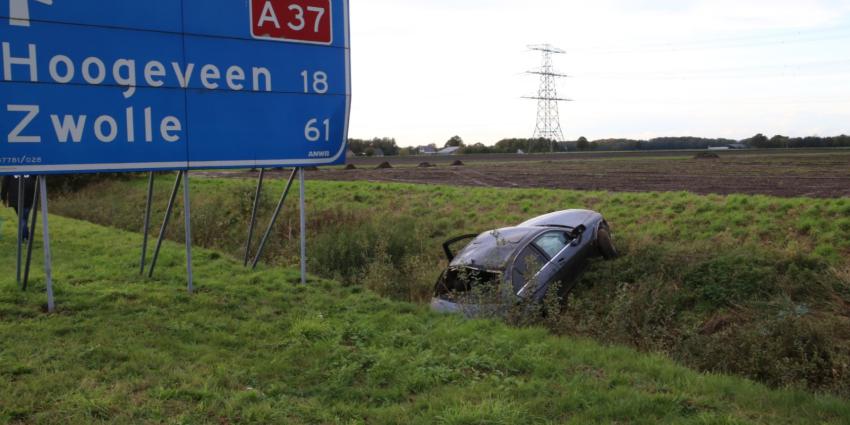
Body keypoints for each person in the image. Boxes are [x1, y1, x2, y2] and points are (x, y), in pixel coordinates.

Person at [1, 175, 37, 240]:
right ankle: (26, 236)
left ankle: (24, 236)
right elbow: (35, 177)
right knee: (24, 218)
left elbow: (5, 183)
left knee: (22, 218)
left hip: (16, 196)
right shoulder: (29, 165)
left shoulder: (11, 166)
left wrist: (3, 197)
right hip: (29, 195)